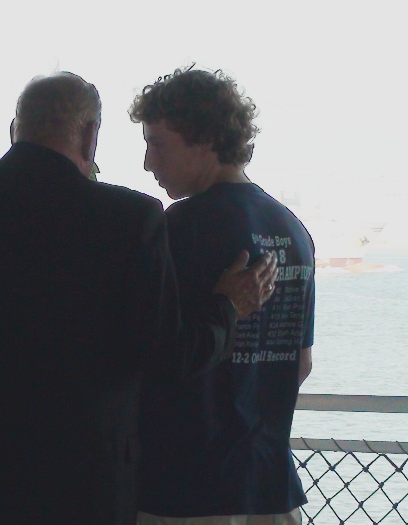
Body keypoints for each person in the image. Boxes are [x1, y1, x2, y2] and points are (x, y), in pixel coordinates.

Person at [0, 71, 277, 525]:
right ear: (91, 136)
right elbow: (168, 355)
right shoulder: (130, 218)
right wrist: (230, 306)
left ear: (15, 130)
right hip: (81, 483)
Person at [129, 67, 316, 525]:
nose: (148, 162)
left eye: (156, 143)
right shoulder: (292, 229)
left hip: (187, 488)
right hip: (270, 487)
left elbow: (153, 355)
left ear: (205, 139)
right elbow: (302, 362)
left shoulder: (177, 228)